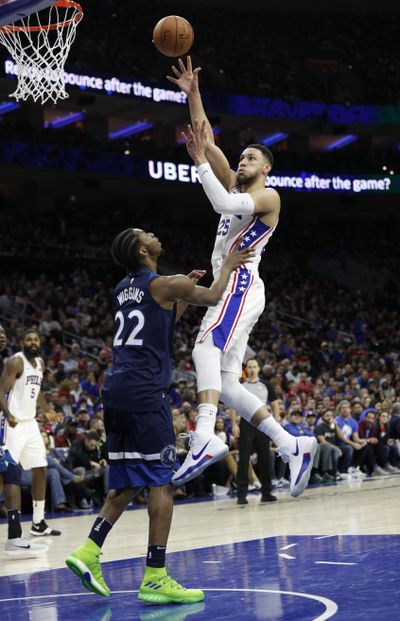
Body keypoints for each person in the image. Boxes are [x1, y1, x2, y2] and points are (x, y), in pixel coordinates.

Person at [66, 226, 253, 604]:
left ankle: (87, 551)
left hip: (116, 390)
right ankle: (155, 576)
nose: (154, 234)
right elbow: (215, 296)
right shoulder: (165, 283)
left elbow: (158, 324)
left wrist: (180, 294)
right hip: (145, 393)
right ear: (142, 250)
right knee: (162, 482)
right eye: (146, 234)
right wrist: (229, 265)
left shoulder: (124, 289)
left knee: (129, 481)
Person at [167, 57, 317, 496]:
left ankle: (204, 437)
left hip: (240, 281)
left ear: (266, 167)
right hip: (237, 285)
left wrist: (197, 165)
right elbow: (206, 135)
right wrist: (193, 92)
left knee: (203, 346)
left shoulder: (268, 196)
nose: (242, 160)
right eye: (242, 156)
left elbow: (222, 206)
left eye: (251, 157)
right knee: (229, 383)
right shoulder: (234, 182)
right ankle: (293, 444)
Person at [0, 328, 61, 536]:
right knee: (8, 474)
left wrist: (46, 410)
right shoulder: (15, 362)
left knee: (41, 469)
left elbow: (38, 391)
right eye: (28, 339)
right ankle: (13, 527)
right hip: (13, 424)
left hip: (30, 423)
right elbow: (1, 390)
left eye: (36, 339)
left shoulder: (40, 364)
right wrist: (8, 414)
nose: (33, 342)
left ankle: (38, 522)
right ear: (21, 343)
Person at [236, 359, 277, 504]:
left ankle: (267, 492)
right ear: (246, 369)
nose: (252, 369)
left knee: (264, 458)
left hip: (263, 424)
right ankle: (241, 494)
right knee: (244, 459)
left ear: (258, 368)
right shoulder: (240, 385)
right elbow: (234, 404)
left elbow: (275, 403)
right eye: (249, 367)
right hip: (246, 423)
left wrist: (276, 422)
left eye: (254, 367)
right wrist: (234, 424)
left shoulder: (266, 385)